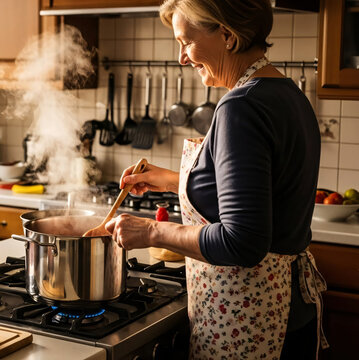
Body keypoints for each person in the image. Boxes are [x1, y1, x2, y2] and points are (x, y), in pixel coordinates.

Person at [105, 1, 327, 359]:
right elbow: (258, 191)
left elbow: (242, 241)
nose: (182, 58)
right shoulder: (286, 93)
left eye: (186, 42)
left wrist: (150, 232)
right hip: (289, 312)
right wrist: (172, 180)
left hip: (249, 319)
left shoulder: (240, 106)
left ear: (226, 34)